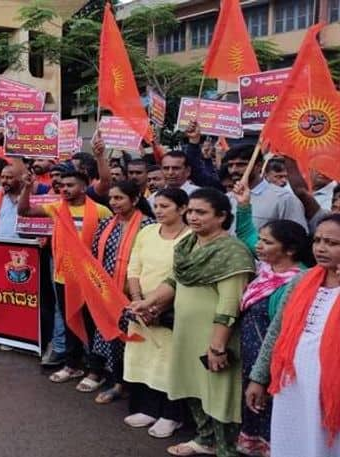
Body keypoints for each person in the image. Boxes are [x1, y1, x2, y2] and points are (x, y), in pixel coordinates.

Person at [132, 188, 255, 457]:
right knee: (192, 387)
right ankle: (205, 439)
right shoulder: (187, 245)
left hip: (215, 337)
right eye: (191, 211)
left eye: (201, 212)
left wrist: (218, 345)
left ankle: (226, 448)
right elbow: (174, 281)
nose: (193, 217)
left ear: (222, 216)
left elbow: (229, 303)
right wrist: (148, 302)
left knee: (220, 394)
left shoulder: (232, 252)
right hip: (186, 333)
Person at [246, 214, 340, 457]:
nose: (321, 248)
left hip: (331, 389)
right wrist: (259, 377)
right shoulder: (302, 280)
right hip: (293, 383)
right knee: (292, 440)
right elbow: (277, 331)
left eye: (332, 243)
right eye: (318, 240)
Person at [233, 181, 309, 457]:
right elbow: (246, 233)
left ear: (289, 250)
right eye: (261, 241)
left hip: (275, 359)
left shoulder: (297, 282)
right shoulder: (267, 269)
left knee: (273, 409)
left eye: (267, 242)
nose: (259, 246)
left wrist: (264, 372)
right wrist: (244, 204)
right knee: (254, 404)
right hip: (253, 355)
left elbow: (283, 329)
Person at [18, 169, 112, 382]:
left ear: (84, 186)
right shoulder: (56, 208)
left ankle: (96, 370)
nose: (65, 189)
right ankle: (72, 365)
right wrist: (26, 187)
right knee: (70, 322)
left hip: (91, 278)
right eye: (62, 185)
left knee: (91, 324)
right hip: (63, 277)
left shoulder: (101, 211)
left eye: (70, 185)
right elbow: (24, 211)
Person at [79, 181, 155, 403]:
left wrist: (135, 294)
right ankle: (114, 379)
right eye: (111, 198)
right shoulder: (105, 224)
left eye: (119, 198)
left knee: (127, 340)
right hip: (105, 293)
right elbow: (93, 255)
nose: (114, 203)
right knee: (108, 336)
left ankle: (124, 384)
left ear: (135, 199)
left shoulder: (148, 226)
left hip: (134, 295)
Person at [123, 188, 190, 439]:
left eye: (165, 206)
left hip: (172, 309)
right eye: (157, 205)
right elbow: (134, 267)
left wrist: (155, 307)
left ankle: (172, 415)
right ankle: (148, 409)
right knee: (145, 358)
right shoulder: (147, 231)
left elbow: (180, 278)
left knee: (170, 363)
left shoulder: (191, 237)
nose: (159, 210)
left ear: (183, 208)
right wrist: (138, 301)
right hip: (141, 308)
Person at [224, 145, 307, 231]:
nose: (233, 170)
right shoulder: (227, 198)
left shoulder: (284, 199)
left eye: (240, 165)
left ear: (259, 166)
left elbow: (297, 236)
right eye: (230, 166)